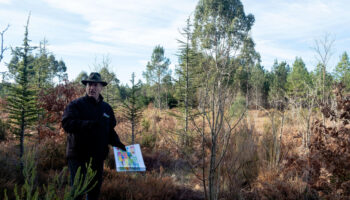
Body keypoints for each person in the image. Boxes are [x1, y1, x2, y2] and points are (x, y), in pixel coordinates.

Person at [62, 72, 126, 200]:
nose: (92, 88)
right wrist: (89, 124)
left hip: (97, 157)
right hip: (78, 155)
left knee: (94, 190)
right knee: (78, 191)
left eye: (95, 85)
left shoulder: (106, 108)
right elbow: (67, 124)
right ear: (86, 86)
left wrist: (117, 143)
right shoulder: (75, 105)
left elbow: (109, 130)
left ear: (101, 87)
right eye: (90, 84)